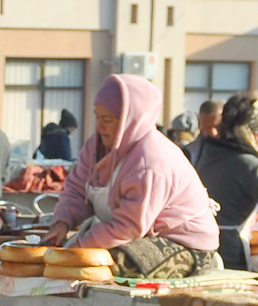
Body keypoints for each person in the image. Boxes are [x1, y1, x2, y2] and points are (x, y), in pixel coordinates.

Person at [44, 75, 219, 277]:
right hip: (133, 235)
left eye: (107, 120)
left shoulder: (150, 161)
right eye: (97, 117)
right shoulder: (95, 147)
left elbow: (128, 226)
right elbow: (76, 189)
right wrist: (62, 222)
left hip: (185, 245)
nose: (100, 127)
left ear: (131, 119)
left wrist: (80, 248)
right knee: (63, 260)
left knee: (102, 265)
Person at [192, 96, 258, 270]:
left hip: (199, 243)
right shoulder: (250, 165)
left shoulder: (207, 153)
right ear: (257, 136)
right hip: (230, 250)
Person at [185, 99, 222, 164]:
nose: (213, 132)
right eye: (208, 127)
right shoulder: (190, 153)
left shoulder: (235, 150)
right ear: (200, 124)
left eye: (217, 126)